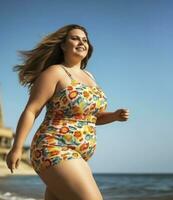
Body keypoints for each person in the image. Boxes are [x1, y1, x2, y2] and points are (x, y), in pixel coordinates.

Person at [6, 24, 130, 200]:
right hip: (54, 147)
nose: (81, 42)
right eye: (75, 38)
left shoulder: (90, 77)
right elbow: (32, 110)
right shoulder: (55, 72)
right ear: (63, 45)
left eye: (85, 40)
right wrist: (17, 148)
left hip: (79, 155)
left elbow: (92, 118)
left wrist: (114, 116)